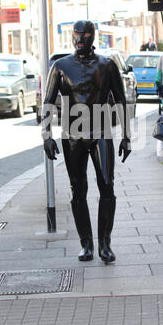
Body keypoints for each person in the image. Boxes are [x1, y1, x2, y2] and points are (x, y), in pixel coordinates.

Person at [41, 20, 131, 263]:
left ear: (93, 38)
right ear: (72, 36)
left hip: (101, 131)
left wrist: (127, 136)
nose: (80, 40)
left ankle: (105, 243)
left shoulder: (107, 65)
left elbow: (121, 100)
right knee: (77, 189)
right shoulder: (60, 66)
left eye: (85, 36)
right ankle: (86, 243)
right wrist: (46, 135)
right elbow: (48, 102)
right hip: (73, 135)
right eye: (76, 36)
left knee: (107, 185)